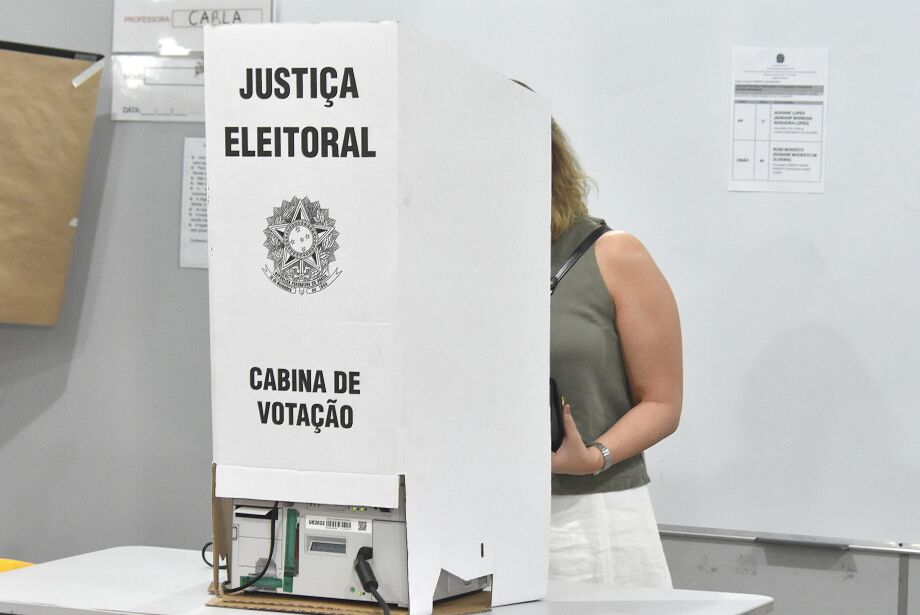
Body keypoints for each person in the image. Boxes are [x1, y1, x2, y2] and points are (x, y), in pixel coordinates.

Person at [548, 118, 682, 588]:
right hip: (476, 510)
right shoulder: (460, 260)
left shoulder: (614, 254)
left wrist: (595, 456)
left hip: (589, 514)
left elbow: (662, 402)